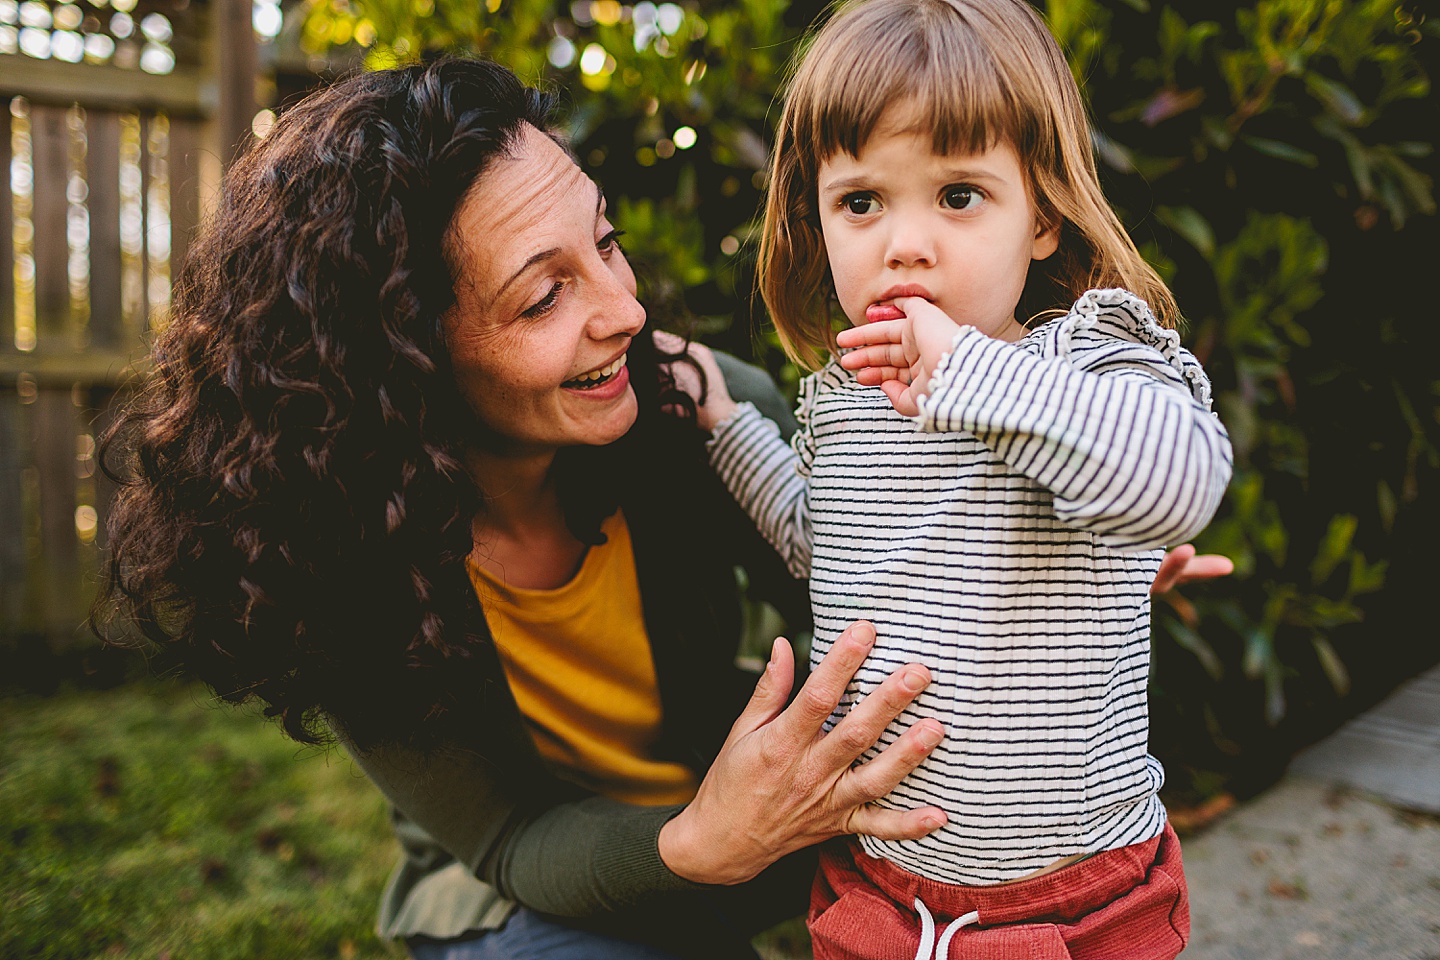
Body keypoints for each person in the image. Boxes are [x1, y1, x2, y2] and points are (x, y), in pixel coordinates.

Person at [94, 55, 1227, 960]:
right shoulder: (331, 548)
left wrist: (1060, 551)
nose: (626, 311)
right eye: (545, 295)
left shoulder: (688, 410)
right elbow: (507, 835)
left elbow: (859, 565)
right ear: (403, 362)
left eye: (605, 242)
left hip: (785, 814)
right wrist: (701, 841)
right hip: (554, 875)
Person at [692, 1, 1234, 958]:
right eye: (862, 202)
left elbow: (1179, 482)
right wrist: (727, 425)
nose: (906, 244)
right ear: (817, 220)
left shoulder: (1087, 357)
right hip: (879, 892)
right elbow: (831, 550)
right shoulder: (847, 399)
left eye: (958, 197)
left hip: (1084, 901)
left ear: (1043, 218)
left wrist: (964, 373)